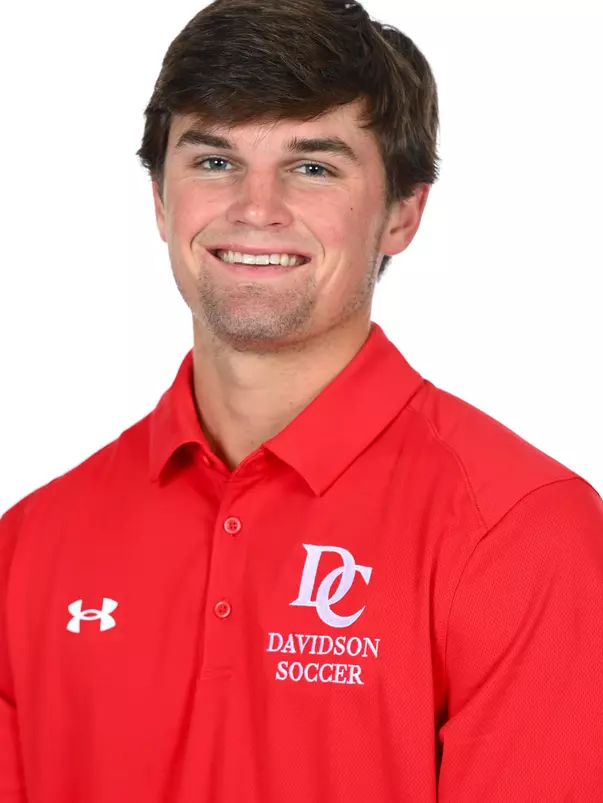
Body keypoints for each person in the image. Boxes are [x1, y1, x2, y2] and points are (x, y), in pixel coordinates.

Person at [1, 0, 602, 800]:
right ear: (158, 199)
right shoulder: (32, 543)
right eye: (213, 162)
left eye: (312, 166)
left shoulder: (520, 532)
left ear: (402, 213)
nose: (256, 208)